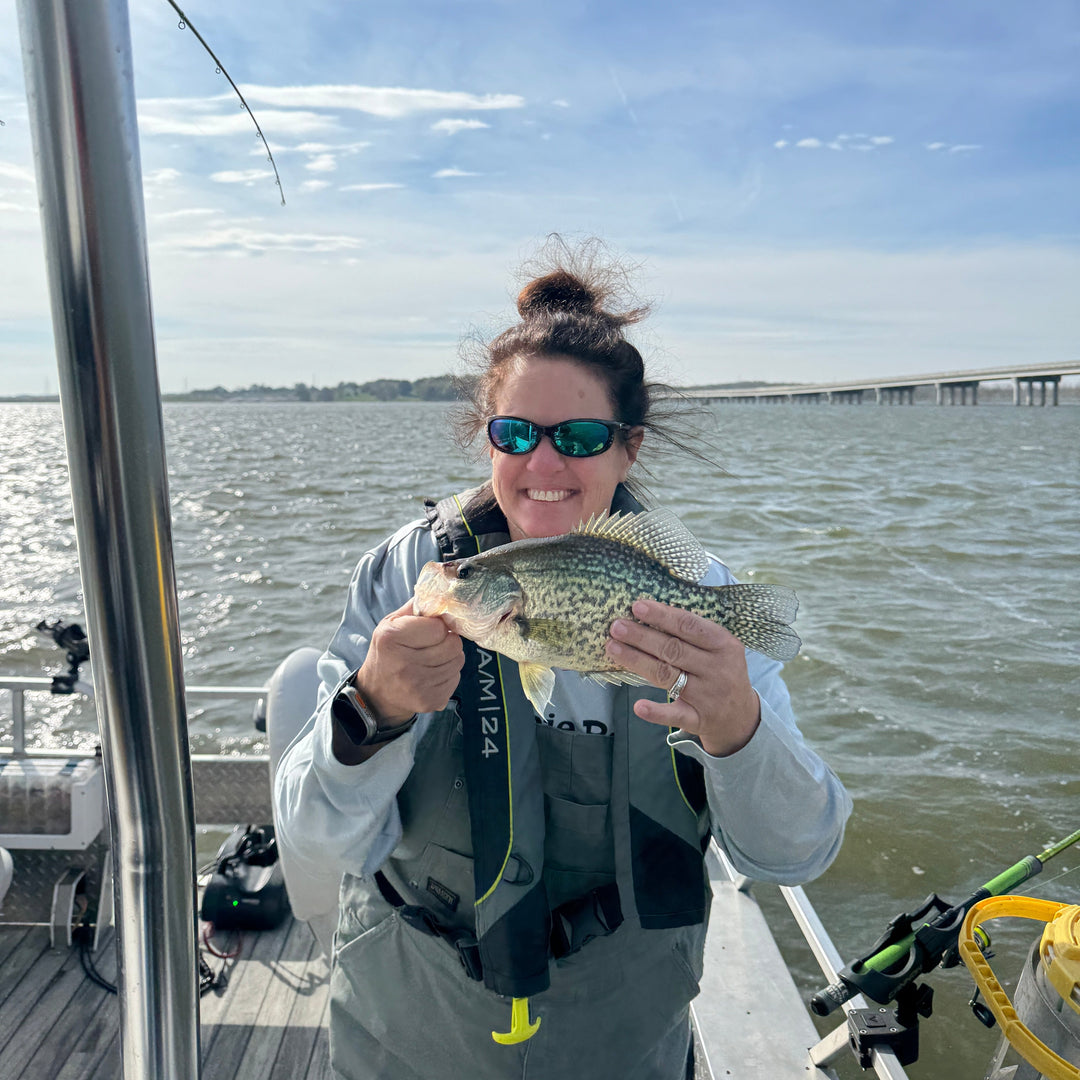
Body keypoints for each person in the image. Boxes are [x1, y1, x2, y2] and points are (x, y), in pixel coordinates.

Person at [274, 242, 852, 1080]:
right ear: (487, 438)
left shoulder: (697, 600)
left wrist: (739, 730)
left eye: (580, 436)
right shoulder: (411, 576)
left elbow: (797, 852)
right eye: (515, 433)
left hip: (620, 1025)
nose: (544, 465)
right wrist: (373, 711)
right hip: (410, 1010)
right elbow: (312, 838)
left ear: (630, 448)